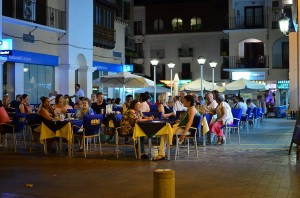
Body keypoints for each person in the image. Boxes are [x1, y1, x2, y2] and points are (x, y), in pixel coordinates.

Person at [153, 95, 200, 161]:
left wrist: (183, 135)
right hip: (183, 128)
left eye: (184, 101)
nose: (183, 102)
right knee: (165, 132)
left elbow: (189, 123)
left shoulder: (192, 110)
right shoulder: (191, 109)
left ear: (189, 102)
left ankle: (161, 154)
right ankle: (162, 153)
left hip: (185, 129)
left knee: (165, 133)